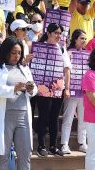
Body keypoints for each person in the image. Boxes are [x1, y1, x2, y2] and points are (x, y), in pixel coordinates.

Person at [0, 36, 37, 170]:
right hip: (4, 116)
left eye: (19, 53)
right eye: (13, 52)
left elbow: (33, 88)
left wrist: (31, 89)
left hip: (23, 116)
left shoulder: (24, 68)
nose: (16, 56)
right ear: (5, 51)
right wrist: (13, 89)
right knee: (3, 156)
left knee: (25, 156)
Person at [35, 23, 71, 157]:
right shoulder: (39, 47)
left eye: (60, 33)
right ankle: (41, 145)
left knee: (54, 117)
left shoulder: (61, 49)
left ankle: (53, 146)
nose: (58, 36)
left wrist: (66, 89)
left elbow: (67, 70)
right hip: (43, 88)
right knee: (43, 116)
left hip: (57, 88)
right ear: (49, 33)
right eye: (56, 33)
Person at [61, 29, 88, 154]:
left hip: (84, 92)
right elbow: (65, 71)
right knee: (68, 118)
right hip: (71, 91)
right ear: (75, 39)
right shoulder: (68, 53)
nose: (84, 41)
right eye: (81, 38)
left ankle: (82, 143)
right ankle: (64, 144)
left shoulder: (88, 54)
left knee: (84, 119)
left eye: (85, 38)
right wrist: (66, 88)